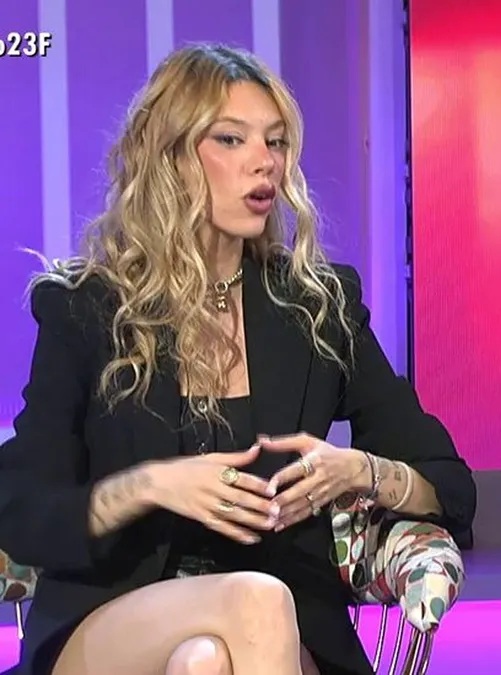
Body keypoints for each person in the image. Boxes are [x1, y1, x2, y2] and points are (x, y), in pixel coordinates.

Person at [0, 44, 476, 675]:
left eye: (275, 142)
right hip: (114, 617)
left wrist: (359, 470)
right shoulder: (87, 309)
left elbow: (449, 485)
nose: (264, 161)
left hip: (275, 625)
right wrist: (152, 485)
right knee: (254, 604)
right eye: (231, 139)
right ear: (171, 157)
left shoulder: (317, 308)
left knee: (206, 660)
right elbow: (24, 510)